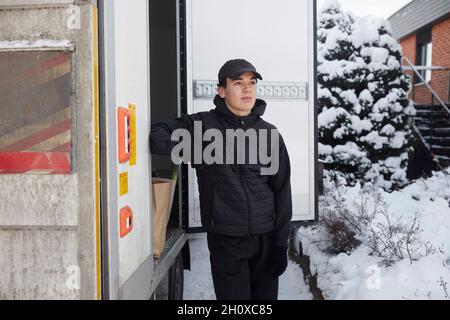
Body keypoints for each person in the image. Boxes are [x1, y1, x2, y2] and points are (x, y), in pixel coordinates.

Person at [150, 59, 292, 300]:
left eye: (252, 82)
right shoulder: (202, 125)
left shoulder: (270, 133)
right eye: (238, 83)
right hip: (227, 241)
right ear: (222, 91)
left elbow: (281, 191)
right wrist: (193, 148)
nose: (247, 89)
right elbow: (157, 135)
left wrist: (280, 245)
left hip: (265, 240)